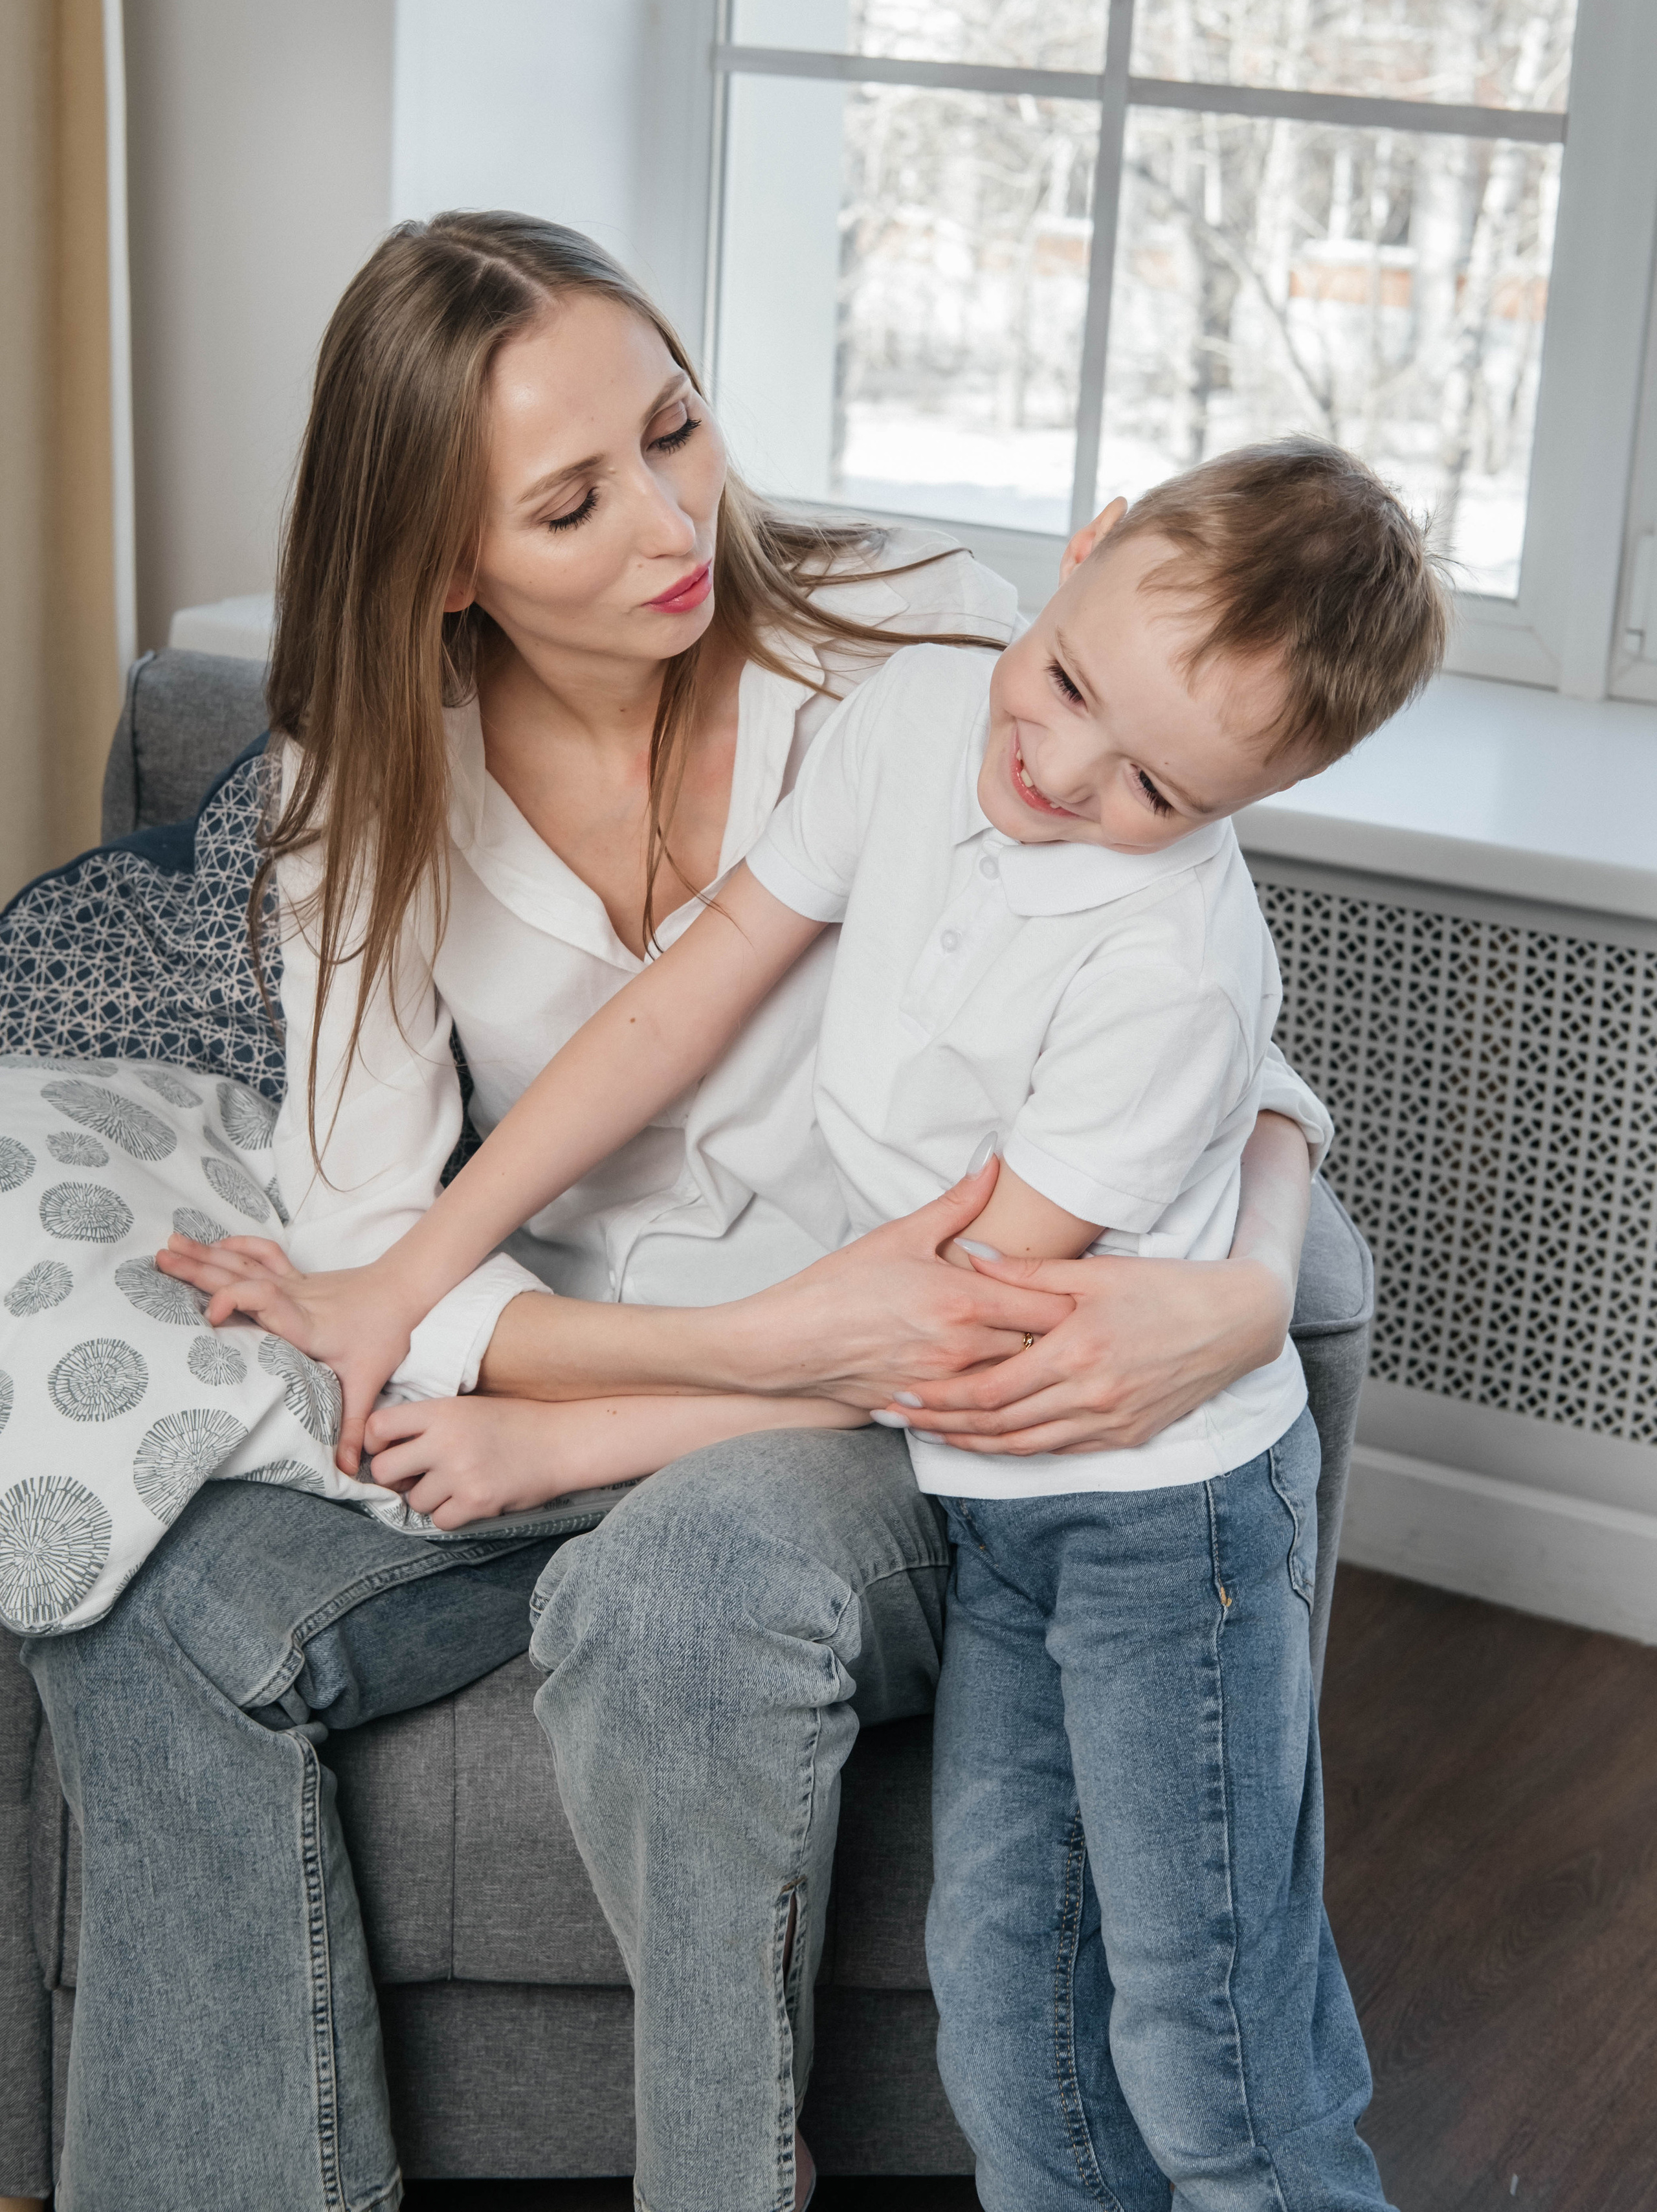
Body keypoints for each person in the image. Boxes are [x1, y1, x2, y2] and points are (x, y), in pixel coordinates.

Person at [32, 212, 1333, 2212]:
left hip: (903, 1421)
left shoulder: (930, 646)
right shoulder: (355, 793)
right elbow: (401, 1254)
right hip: (609, 1373)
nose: (673, 524)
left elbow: (1215, 1048)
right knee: (146, 1612)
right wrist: (733, 1346)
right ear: (449, 563)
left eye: (678, 429)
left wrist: (1244, 1300)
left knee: (684, 1585)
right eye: (574, 502)